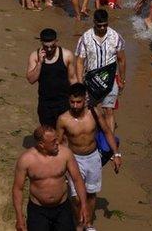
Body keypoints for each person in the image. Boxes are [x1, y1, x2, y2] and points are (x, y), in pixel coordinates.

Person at [55, 83, 121, 230]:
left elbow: (107, 132)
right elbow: (58, 144)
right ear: (68, 100)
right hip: (74, 159)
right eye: (72, 102)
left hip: (93, 158)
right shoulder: (63, 119)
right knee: (76, 197)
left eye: (78, 102)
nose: (75, 105)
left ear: (85, 100)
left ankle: (88, 223)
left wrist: (116, 154)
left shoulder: (94, 113)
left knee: (91, 193)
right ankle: (79, 223)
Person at [12, 126, 86, 231]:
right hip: (38, 211)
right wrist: (19, 218)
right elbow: (18, 189)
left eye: (57, 139)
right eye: (53, 141)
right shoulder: (26, 160)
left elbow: (77, 179)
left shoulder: (65, 154)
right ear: (41, 144)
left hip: (62, 208)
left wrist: (83, 205)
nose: (57, 143)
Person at [26, 28, 77, 127]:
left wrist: (79, 97)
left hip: (64, 102)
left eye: (52, 46)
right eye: (46, 47)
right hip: (45, 103)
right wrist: (40, 63)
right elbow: (31, 79)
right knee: (48, 136)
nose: (49, 49)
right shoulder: (35, 56)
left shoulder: (67, 55)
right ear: (41, 43)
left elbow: (73, 79)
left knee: (64, 135)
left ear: (56, 41)